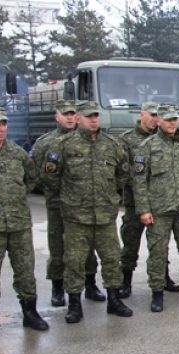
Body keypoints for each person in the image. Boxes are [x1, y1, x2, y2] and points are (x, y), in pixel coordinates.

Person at [41, 101, 133, 323]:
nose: (93, 120)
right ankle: (74, 303)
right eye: (89, 116)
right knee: (74, 261)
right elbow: (50, 178)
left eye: (96, 116)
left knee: (111, 258)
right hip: (76, 217)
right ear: (79, 119)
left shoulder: (112, 144)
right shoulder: (63, 145)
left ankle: (114, 299)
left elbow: (123, 173)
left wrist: (109, 195)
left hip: (104, 215)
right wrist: (71, 198)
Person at [0, 107, 48, 339]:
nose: (1, 129)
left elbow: (31, 177)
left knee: (25, 271)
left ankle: (30, 313)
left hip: (18, 224)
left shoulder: (16, 153)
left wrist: (16, 194)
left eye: (4, 124)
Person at [134, 105, 179, 312]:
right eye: (168, 120)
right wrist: (144, 210)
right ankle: (157, 293)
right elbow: (139, 182)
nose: (172, 123)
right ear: (159, 122)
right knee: (157, 253)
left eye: (174, 119)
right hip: (159, 210)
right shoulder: (147, 147)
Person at [30, 100, 103, 307]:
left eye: (73, 114)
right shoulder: (46, 143)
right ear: (57, 116)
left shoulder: (90, 139)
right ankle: (57, 287)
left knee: (87, 247)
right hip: (58, 205)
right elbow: (37, 174)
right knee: (58, 247)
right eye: (65, 114)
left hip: (85, 205)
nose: (70, 117)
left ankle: (90, 284)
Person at [118, 103, 179, 296]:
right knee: (131, 242)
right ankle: (125, 281)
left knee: (160, 244)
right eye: (152, 115)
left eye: (157, 116)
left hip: (161, 204)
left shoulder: (164, 139)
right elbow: (123, 172)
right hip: (135, 203)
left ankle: (163, 277)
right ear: (142, 115)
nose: (155, 119)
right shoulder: (126, 140)